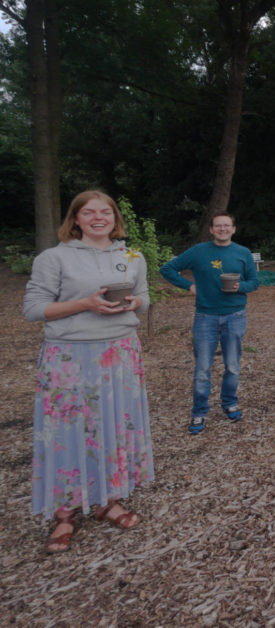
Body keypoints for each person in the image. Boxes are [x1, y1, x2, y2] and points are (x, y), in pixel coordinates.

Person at [23, 190, 155, 553]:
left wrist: (135, 302)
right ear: (76, 219)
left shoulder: (131, 255)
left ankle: (106, 501)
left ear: (115, 217)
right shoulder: (55, 258)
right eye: (89, 212)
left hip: (121, 353)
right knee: (68, 432)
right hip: (70, 357)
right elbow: (34, 309)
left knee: (112, 426)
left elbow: (145, 297)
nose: (99, 217)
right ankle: (64, 514)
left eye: (105, 212)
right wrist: (85, 304)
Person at [160, 213, 258, 434]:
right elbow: (167, 269)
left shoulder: (242, 253)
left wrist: (239, 287)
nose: (222, 229)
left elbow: (254, 282)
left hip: (235, 315)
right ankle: (199, 412)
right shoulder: (198, 252)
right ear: (211, 230)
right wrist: (189, 286)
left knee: (232, 365)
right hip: (205, 317)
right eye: (218, 226)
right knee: (203, 368)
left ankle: (229, 403)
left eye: (226, 226)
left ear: (233, 229)